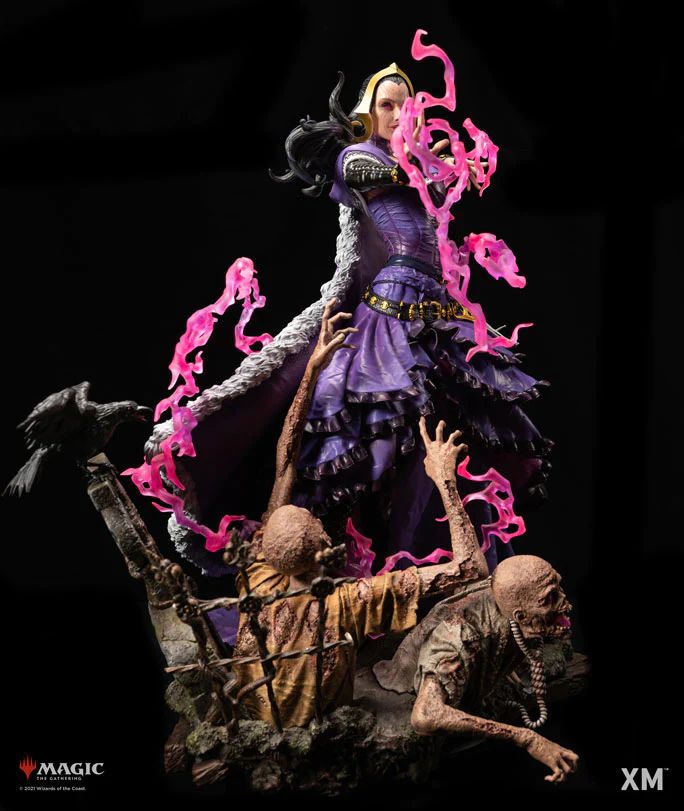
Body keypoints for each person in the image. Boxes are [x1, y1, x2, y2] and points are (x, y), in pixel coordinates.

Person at [145, 61, 551, 579]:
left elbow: (437, 201)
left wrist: (448, 167)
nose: (399, 114)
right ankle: (354, 558)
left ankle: (423, 557)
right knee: (378, 441)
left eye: (407, 105)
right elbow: (390, 176)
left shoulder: (415, 162)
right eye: (387, 104)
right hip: (391, 311)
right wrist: (437, 165)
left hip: (439, 312)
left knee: (444, 440)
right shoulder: (357, 157)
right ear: (368, 113)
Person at [231, 302, 491, 727]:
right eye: (317, 525)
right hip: (315, 731)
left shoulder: (258, 571)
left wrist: (313, 370)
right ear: (325, 549)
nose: (320, 521)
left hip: (255, 712)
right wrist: (444, 478)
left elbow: (286, 462)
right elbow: (471, 568)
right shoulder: (345, 604)